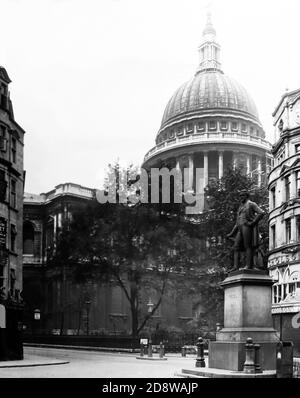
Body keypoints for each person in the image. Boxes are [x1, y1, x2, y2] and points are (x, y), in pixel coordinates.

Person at [226, 190, 264, 270]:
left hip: (247, 227)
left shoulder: (251, 204)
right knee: (236, 247)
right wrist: (231, 233)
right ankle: (235, 267)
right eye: (240, 196)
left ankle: (249, 266)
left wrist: (252, 222)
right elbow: (237, 222)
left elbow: (261, 213)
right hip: (240, 228)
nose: (241, 197)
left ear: (246, 196)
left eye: (242, 196)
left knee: (248, 246)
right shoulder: (240, 207)